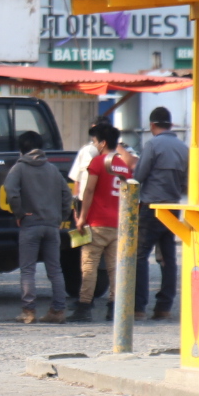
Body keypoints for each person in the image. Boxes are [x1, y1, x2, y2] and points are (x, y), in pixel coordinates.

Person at [3, 129, 72, 324]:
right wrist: (60, 216)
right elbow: (67, 194)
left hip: (30, 224)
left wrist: (20, 213)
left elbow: (10, 190)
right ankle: (58, 311)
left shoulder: (19, 168)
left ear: (21, 150)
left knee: (28, 270)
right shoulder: (51, 169)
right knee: (55, 270)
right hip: (52, 225)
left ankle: (28, 311)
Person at [73, 121, 134, 323]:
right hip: (118, 224)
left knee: (89, 266)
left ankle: (84, 307)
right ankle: (114, 308)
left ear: (103, 142)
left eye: (96, 141)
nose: (95, 145)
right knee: (115, 268)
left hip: (97, 223)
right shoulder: (124, 166)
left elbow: (88, 190)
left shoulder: (98, 163)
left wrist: (81, 218)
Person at [133, 105, 189, 320]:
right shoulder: (183, 148)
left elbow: (139, 175)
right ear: (171, 124)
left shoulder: (153, 145)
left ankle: (138, 308)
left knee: (139, 257)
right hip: (173, 207)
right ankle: (163, 307)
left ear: (152, 125)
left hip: (151, 208)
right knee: (167, 258)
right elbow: (186, 182)